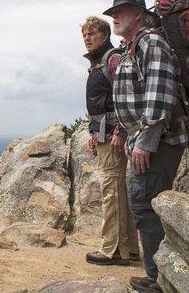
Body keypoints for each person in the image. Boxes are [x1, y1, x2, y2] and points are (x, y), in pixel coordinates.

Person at [104, 0, 189, 292]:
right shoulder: (132, 47)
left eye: (122, 11)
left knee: (146, 205)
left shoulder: (151, 44)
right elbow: (134, 98)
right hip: (145, 139)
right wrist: (126, 134)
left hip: (158, 141)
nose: (115, 16)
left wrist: (145, 141)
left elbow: (160, 94)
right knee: (144, 204)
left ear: (140, 14)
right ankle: (157, 273)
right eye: (113, 12)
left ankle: (159, 280)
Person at [80, 16, 140, 266]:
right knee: (118, 190)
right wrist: (94, 132)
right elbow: (101, 103)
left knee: (111, 190)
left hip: (114, 134)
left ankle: (113, 250)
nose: (87, 38)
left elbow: (125, 97)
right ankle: (130, 248)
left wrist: (120, 131)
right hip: (104, 132)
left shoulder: (112, 59)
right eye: (85, 35)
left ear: (105, 36)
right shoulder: (100, 62)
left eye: (92, 34)